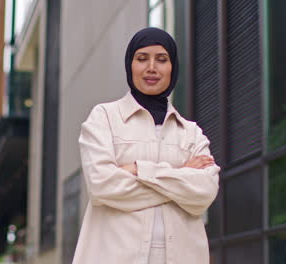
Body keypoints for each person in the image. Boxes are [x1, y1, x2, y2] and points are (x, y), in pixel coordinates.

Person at [73, 27, 220, 264]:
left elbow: (204, 192)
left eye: (161, 60)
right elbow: (102, 185)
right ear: (130, 65)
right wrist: (181, 178)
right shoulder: (105, 118)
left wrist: (137, 169)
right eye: (142, 59)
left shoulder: (191, 132)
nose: (151, 67)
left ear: (173, 68)